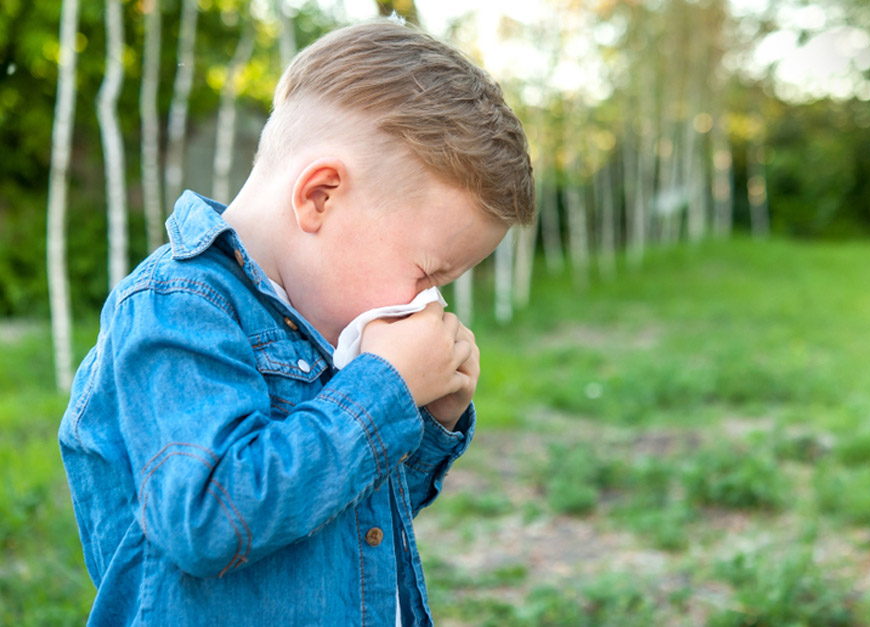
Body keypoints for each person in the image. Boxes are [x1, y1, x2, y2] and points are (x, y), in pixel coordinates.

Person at [58, 19, 533, 626]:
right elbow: (207, 519)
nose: (430, 305)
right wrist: (383, 387)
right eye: (424, 274)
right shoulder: (177, 309)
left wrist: (426, 419)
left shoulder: (320, 320)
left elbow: (353, 525)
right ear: (320, 197)